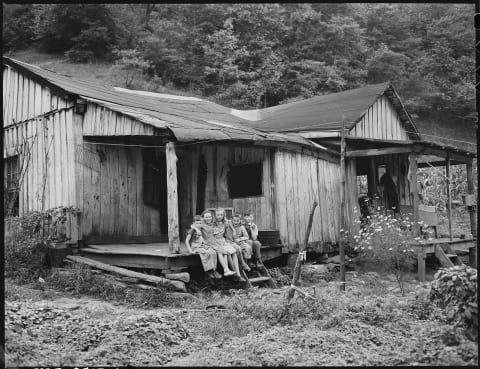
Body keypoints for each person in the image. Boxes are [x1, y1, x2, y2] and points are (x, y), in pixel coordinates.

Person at [199, 210, 236, 277]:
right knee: (219, 251)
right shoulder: (201, 225)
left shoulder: (213, 224)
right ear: (203, 218)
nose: (208, 218)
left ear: (212, 217)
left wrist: (226, 222)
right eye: (206, 217)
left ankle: (227, 270)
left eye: (209, 217)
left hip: (214, 241)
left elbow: (218, 231)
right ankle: (225, 270)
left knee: (223, 251)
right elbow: (196, 232)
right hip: (207, 243)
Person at [185, 215, 222, 279]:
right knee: (207, 254)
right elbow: (186, 241)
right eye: (197, 223)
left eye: (200, 223)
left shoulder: (201, 229)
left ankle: (214, 269)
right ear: (193, 223)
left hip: (202, 246)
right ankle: (209, 270)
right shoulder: (192, 230)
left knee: (213, 252)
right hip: (196, 247)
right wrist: (190, 250)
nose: (199, 225)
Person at [213, 208, 246, 281]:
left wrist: (233, 230)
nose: (219, 216)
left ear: (223, 215)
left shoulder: (225, 223)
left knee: (233, 252)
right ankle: (230, 271)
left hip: (223, 241)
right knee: (226, 253)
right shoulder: (213, 224)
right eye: (218, 215)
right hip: (216, 242)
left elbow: (229, 223)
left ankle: (238, 273)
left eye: (221, 215)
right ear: (215, 215)